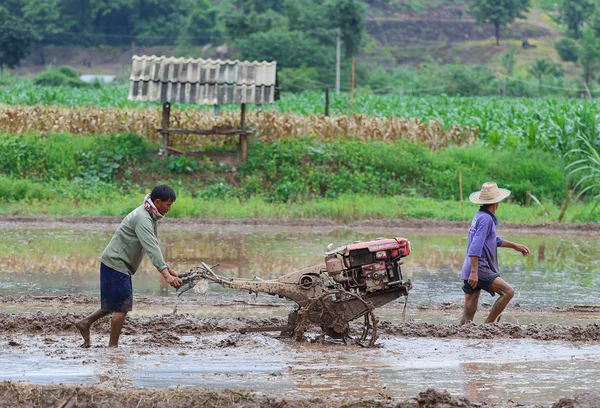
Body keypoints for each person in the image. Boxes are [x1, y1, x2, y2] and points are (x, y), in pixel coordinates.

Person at [76, 184, 183, 347]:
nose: (169, 209)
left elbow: (153, 243)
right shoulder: (143, 218)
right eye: (168, 205)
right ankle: (113, 348)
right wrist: (165, 274)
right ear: (158, 201)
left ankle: (85, 322)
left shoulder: (149, 214)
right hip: (117, 263)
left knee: (114, 303)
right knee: (122, 307)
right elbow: (151, 246)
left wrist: (167, 268)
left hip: (114, 262)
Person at [460, 182, 530, 325]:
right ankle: (488, 326)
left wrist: (514, 246)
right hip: (480, 268)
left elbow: (492, 240)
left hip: (470, 266)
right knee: (508, 292)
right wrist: (475, 272)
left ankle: (462, 334)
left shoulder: (479, 216)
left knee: (470, 308)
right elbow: (476, 246)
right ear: (496, 202)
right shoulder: (486, 219)